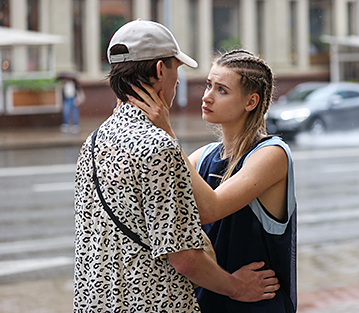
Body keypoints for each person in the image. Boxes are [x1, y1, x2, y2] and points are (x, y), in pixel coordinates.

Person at [74, 20, 279, 312]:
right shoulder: (159, 147)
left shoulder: (94, 141)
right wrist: (237, 288)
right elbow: (183, 257)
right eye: (176, 69)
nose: (179, 81)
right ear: (160, 70)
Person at [128, 49, 297, 313]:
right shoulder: (203, 156)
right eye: (208, 85)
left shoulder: (272, 154)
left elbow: (210, 209)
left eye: (221, 90)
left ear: (251, 102)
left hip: (258, 305)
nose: (207, 96)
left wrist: (167, 134)